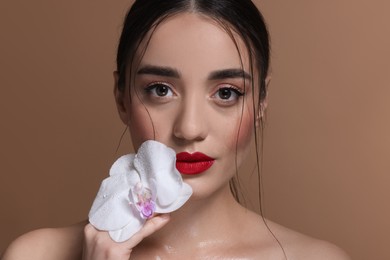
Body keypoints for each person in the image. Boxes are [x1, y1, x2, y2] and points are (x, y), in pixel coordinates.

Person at [2, 0, 350, 259]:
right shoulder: (36, 254)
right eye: (161, 90)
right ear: (122, 97)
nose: (190, 128)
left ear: (261, 102)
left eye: (227, 93)